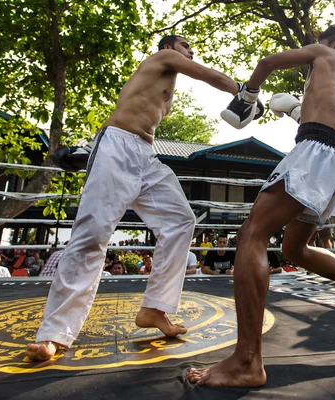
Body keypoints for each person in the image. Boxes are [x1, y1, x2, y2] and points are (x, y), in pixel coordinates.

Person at [186, 24, 335, 387]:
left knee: (252, 235)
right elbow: (330, 121)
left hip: (312, 151)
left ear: (334, 43)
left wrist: (247, 95)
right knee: (294, 248)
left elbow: (268, 61)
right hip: (334, 159)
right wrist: (298, 111)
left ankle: (246, 361)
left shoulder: (325, 54)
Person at [26, 34, 240, 362]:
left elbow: (135, 107)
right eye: (187, 48)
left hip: (144, 154)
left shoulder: (164, 84)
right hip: (117, 145)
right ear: (170, 48)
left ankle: (155, 309)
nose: (190, 54)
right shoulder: (161, 59)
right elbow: (213, 77)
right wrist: (244, 90)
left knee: (181, 220)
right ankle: (54, 334)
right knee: (93, 235)